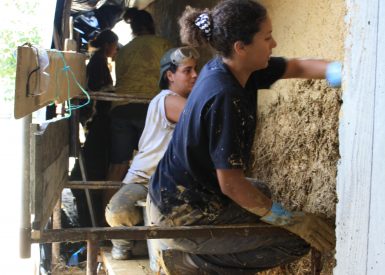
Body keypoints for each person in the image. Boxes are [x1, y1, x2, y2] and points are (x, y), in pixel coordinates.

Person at [147, 1, 340, 274]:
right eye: (267, 37)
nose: (274, 43)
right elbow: (232, 184)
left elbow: (296, 66)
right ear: (241, 46)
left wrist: (343, 72)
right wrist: (294, 221)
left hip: (180, 194)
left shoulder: (233, 68)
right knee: (295, 241)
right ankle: (188, 263)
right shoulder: (225, 96)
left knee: (260, 192)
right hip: (182, 216)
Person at [105, 46, 199, 260]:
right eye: (188, 70)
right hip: (145, 179)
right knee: (119, 211)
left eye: (196, 69)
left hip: (173, 183)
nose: (195, 75)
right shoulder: (167, 99)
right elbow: (206, 120)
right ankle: (122, 244)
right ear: (170, 75)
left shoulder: (187, 101)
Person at [107, 7, 173, 184]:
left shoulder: (123, 51)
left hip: (121, 110)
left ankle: (106, 210)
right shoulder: (164, 45)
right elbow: (172, 77)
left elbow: (120, 79)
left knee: (118, 167)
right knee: (153, 166)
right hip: (149, 109)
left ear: (133, 28)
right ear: (152, 24)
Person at [70, 29, 118, 227]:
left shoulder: (98, 60)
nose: (115, 51)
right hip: (97, 116)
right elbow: (97, 89)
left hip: (95, 117)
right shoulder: (98, 62)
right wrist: (116, 91)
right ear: (108, 45)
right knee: (97, 159)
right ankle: (94, 219)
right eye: (114, 46)